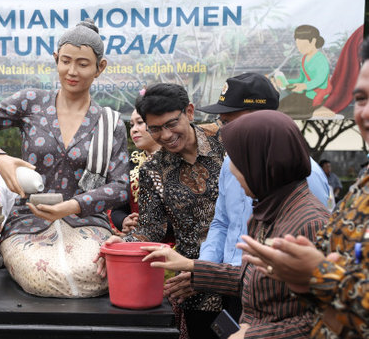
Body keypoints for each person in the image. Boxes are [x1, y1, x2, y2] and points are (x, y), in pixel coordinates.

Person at [0, 19, 130, 298]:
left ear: (100, 67)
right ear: (55, 59)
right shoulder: (31, 102)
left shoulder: (109, 122)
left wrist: (74, 205)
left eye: (83, 64)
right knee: (43, 275)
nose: (72, 71)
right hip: (29, 222)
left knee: (91, 271)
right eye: (65, 61)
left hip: (86, 223)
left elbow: (121, 186)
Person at [138, 110, 330, 339]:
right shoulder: (271, 210)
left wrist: (253, 334)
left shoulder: (308, 222)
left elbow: (322, 318)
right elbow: (254, 279)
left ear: (262, 162)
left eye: (238, 161)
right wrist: (193, 266)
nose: (230, 169)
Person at [238, 56, 369, 339]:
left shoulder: (308, 216)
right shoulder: (361, 187)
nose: (365, 113)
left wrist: (318, 274)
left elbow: (305, 310)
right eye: (360, 99)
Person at [197, 73, 333, 320]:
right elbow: (222, 222)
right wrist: (205, 269)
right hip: (232, 286)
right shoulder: (231, 163)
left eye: (229, 122)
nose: (222, 131)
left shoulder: (305, 174)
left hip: (277, 301)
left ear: (261, 119)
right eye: (221, 122)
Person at [96, 82, 224, 338]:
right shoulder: (152, 170)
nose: (165, 135)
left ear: (189, 111)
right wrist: (120, 246)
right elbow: (151, 228)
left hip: (237, 272)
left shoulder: (225, 141)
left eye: (171, 124)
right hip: (190, 282)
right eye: (155, 129)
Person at [108, 98, 160, 235]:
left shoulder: (176, 161)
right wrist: (124, 221)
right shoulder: (131, 164)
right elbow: (118, 209)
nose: (134, 130)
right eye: (131, 125)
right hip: (137, 240)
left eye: (140, 123)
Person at [275, 25, 331, 119]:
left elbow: (319, 79)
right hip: (305, 92)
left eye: (303, 45)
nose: (300, 49)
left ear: (313, 41)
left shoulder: (321, 59)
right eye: (298, 45)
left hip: (317, 96)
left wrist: (304, 86)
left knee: (287, 110)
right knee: (281, 105)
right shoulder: (304, 58)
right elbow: (301, 79)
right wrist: (286, 81)